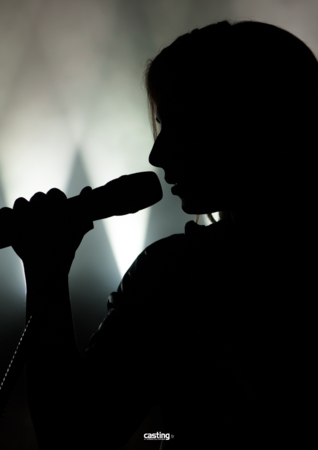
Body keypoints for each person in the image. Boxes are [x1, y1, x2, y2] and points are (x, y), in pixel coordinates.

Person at [9, 19, 317, 449]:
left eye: (185, 125)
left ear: (256, 123)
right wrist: (46, 274)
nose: (158, 152)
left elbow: (73, 438)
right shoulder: (171, 274)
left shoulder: (174, 275)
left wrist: (46, 273)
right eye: (161, 124)